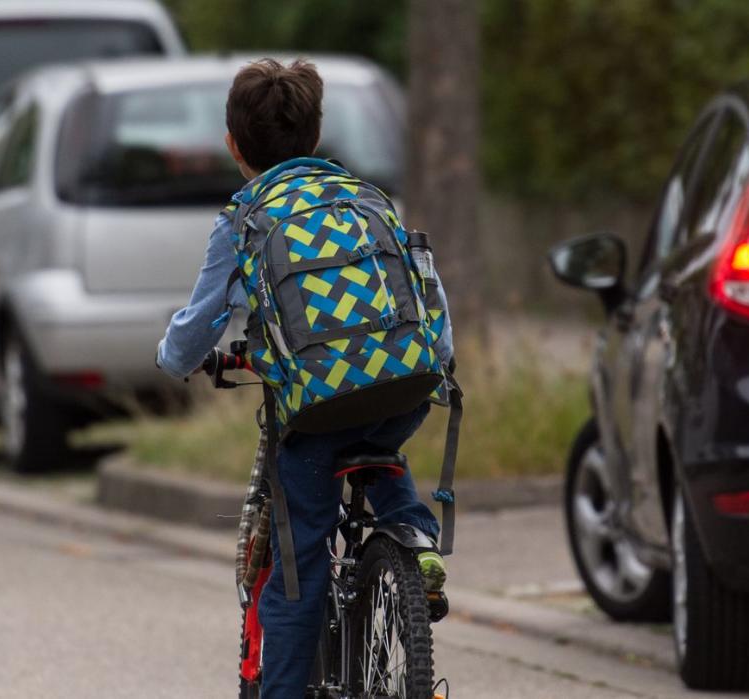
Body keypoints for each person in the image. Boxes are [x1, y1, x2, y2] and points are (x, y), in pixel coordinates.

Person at [156, 58, 454, 699]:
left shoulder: (245, 218)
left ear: (233, 145)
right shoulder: (368, 199)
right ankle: (413, 537)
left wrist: (174, 358)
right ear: (316, 138)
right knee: (375, 438)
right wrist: (436, 361)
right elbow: (426, 294)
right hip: (405, 389)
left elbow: (197, 326)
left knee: (299, 570)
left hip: (315, 412)